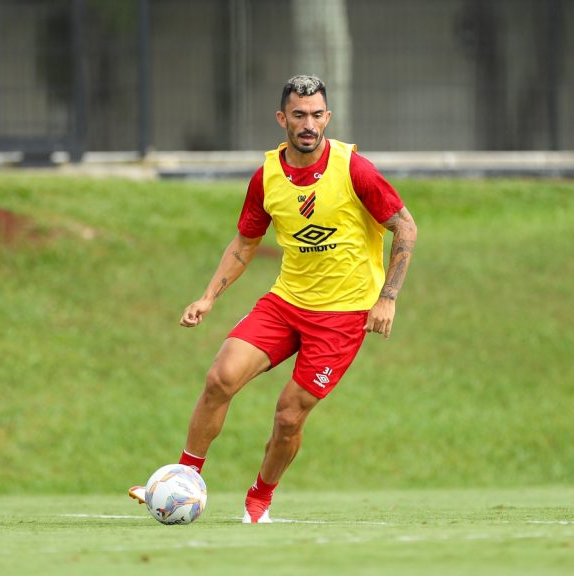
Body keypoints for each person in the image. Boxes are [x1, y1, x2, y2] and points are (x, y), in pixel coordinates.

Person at [130, 75, 417, 523]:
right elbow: (244, 245)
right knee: (220, 378)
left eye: (317, 115)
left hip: (342, 317)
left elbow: (406, 227)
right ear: (282, 119)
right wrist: (208, 297)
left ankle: (259, 498)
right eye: (299, 115)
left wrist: (389, 298)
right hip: (286, 303)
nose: (308, 124)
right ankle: (183, 480)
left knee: (288, 418)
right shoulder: (266, 176)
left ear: (328, 118)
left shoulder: (354, 169)